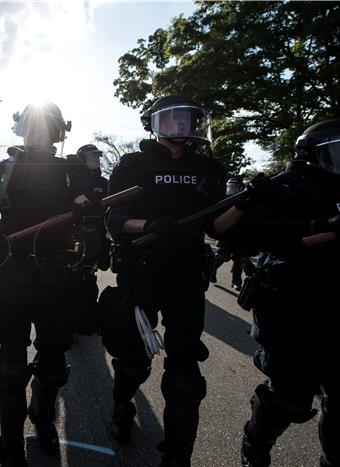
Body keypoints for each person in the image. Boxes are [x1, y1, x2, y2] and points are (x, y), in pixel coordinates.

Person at [212, 119, 340, 467]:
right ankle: (256, 439)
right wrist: (317, 226)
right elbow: (246, 233)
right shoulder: (290, 190)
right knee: (289, 399)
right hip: (300, 315)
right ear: (314, 156)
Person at [103, 95, 225, 466]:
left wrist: (246, 207)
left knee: (185, 372)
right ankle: (121, 406)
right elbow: (113, 219)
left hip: (187, 275)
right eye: (170, 119)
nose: (179, 126)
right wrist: (151, 226)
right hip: (142, 271)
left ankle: (177, 455)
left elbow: (217, 225)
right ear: (153, 123)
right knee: (134, 359)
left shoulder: (209, 169)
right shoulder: (133, 165)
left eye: (186, 119)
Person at [0, 102, 94, 466]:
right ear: (20, 129)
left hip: (57, 273)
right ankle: (10, 440)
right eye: (30, 125)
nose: (36, 132)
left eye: (44, 126)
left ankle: (42, 417)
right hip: (13, 271)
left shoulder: (73, 170)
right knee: (11, 365)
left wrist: (85, 207)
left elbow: (83, 199)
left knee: (54, 365)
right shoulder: (2, 168)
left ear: (58, 132)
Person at [65, 144, 111, 336]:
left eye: (97, 157)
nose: (95, 160)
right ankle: (68, 322)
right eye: (91, 157)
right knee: (71, 280)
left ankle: (88, 320)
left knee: (89, 278)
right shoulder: (71, 180)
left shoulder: (105, 182)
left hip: (98, 236)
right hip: (74, 236)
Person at [210, 177, 248, 290]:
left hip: (239, 235)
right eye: (230, 187)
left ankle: (236, 282)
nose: (232, 190)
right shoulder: (223, 201)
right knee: (221, 256)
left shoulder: (245, 200)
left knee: (238, 260)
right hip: (226, 234)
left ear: (241, 188)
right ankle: (211, 272)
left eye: (235, 188)